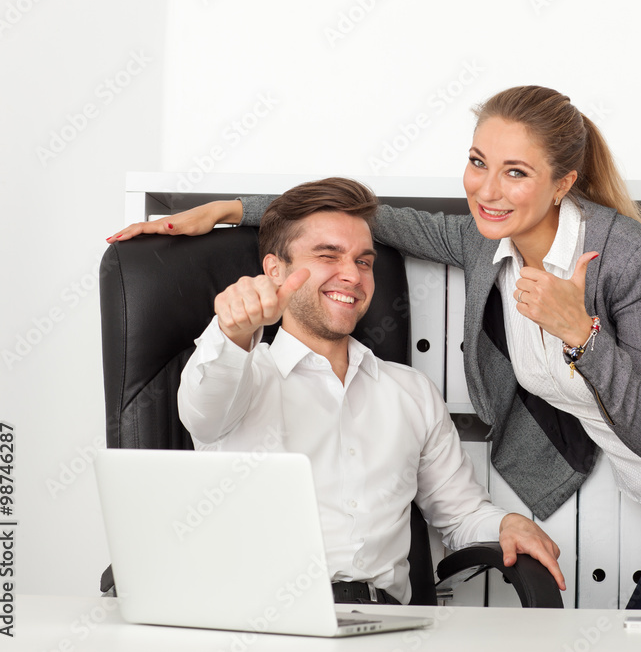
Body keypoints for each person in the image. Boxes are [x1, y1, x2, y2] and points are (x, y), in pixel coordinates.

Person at [110, 85, 641, 611]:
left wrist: (579, 331)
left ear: (563, 182)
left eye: (516, 172)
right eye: (477, 161)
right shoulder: (481, 242)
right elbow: (373, 220)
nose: (486, 190)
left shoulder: (624, 257)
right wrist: (236, 210)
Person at [175, 176, 565, 606]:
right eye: (328, 255)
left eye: (364, 261)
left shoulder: (410, 392)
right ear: (274, 270)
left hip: (386, 627)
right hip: (265, 625)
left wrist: (505, 523)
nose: (352, 276)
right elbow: (204, 408)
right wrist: (232, 331)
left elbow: (462, 516)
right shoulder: (238, 375)